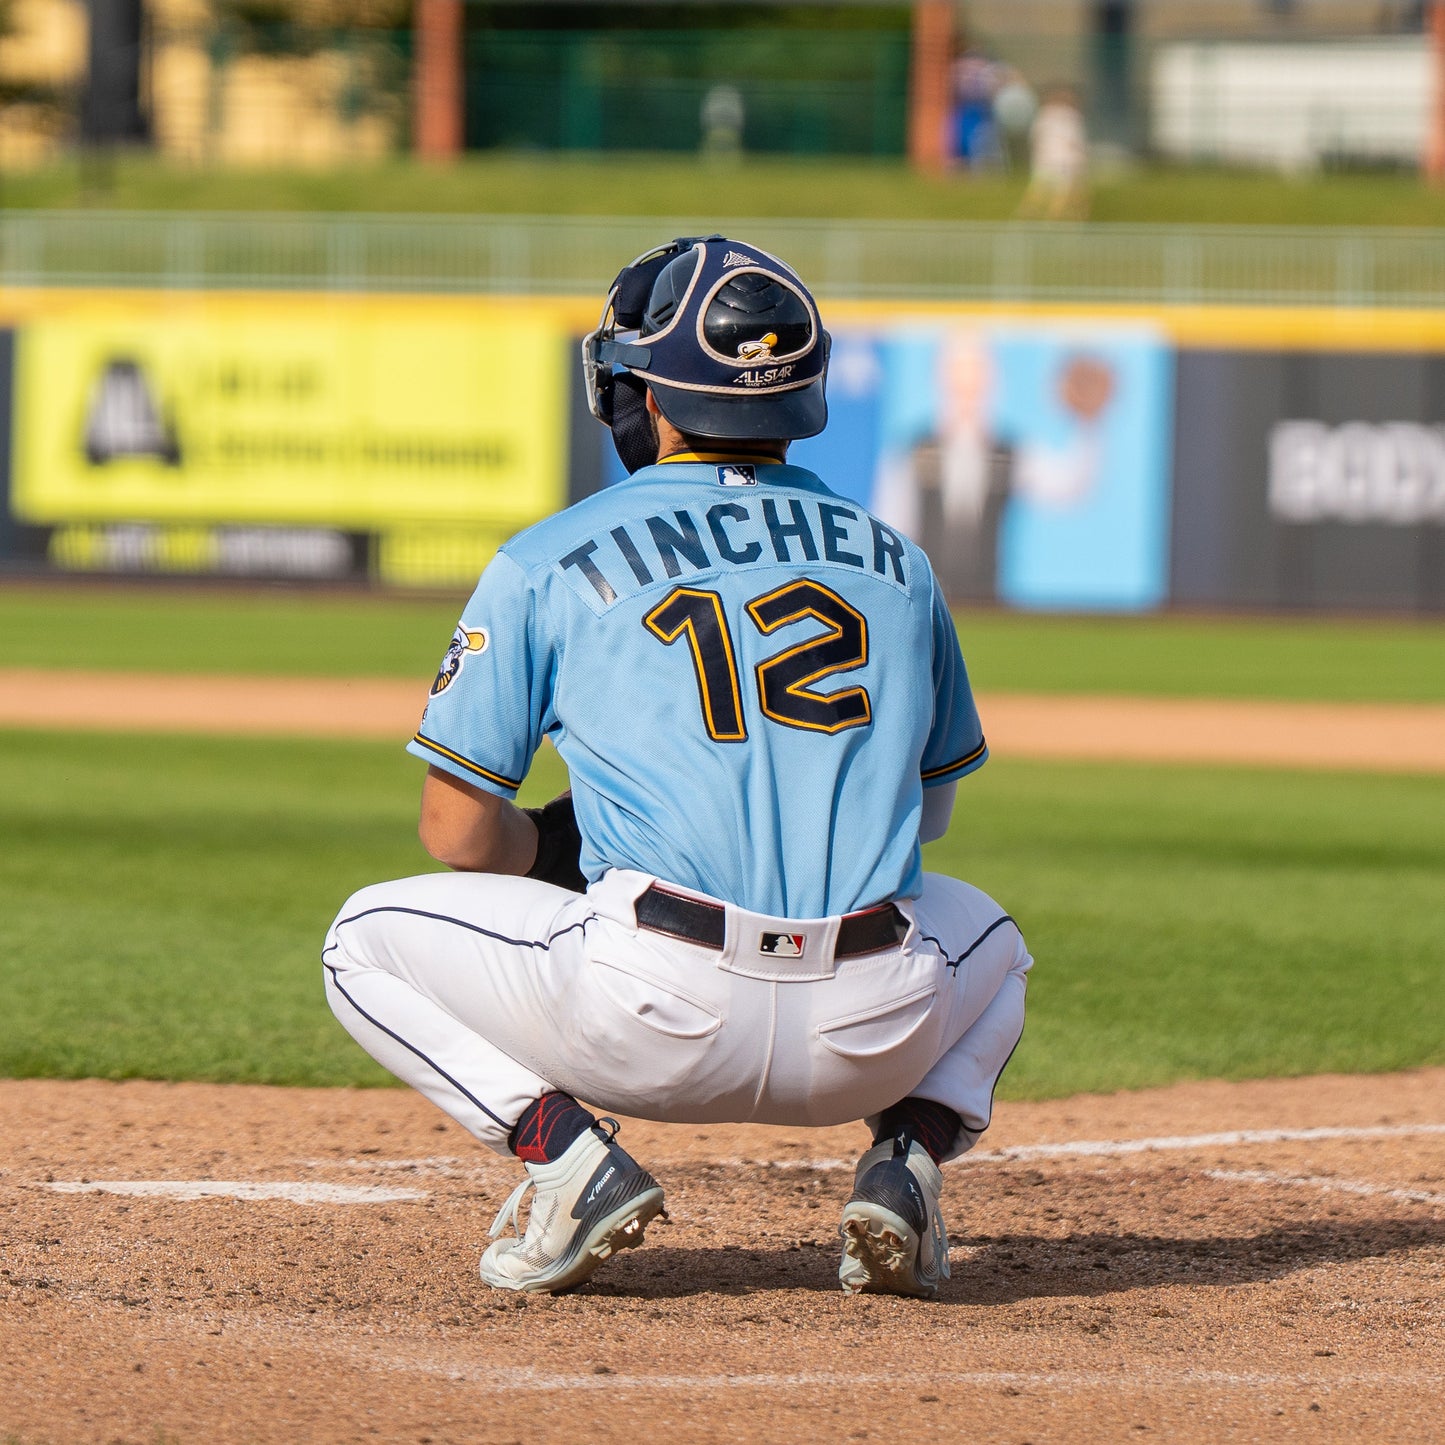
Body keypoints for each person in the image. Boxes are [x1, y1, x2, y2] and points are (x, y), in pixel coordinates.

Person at [321, 236, 1032, 1300]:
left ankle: (562, 1155)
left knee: (358, 943)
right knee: (997, 943)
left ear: (643, 395)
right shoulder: (898, 560)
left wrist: (551, 843)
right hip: (870, 1031)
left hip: (648, 1020)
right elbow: (926, 817)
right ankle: (907, 1158)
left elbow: (456, 834)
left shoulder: (549, 555)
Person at [1018, 85, 1089, 220]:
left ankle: (1037, 215)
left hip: (1053, 158)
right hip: (1060, 159)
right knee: (1057, 190)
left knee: (1047, 189)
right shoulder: (1059, 116)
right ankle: (1051, 217)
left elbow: (1035, 138)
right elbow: (1074, 141)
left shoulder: (1049, 115)